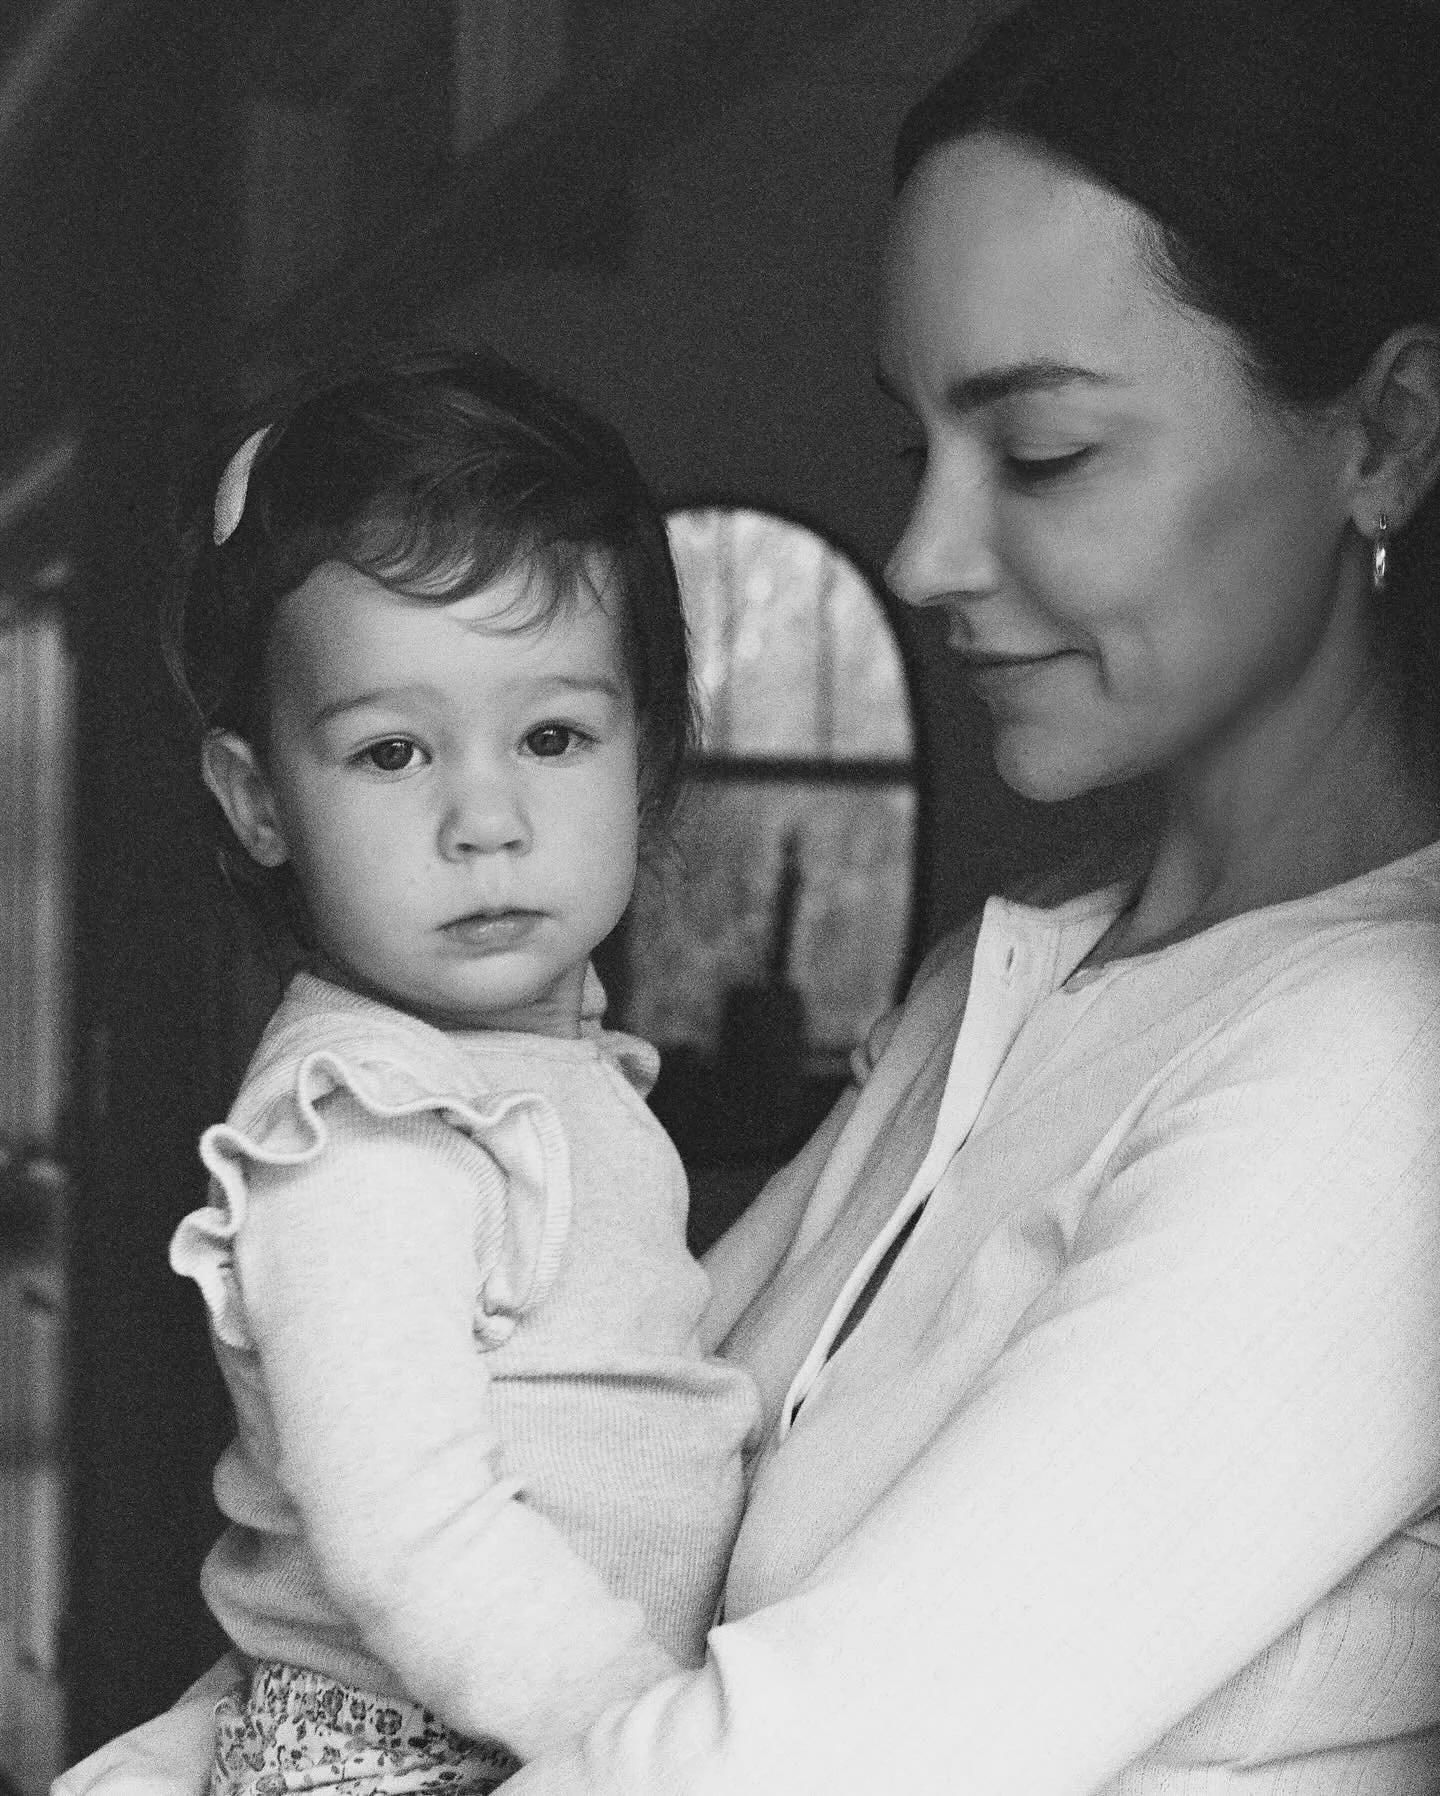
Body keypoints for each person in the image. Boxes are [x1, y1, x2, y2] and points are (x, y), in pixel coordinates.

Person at [54, 0, 1440, 1791]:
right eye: (914, 452)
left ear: (1384, 434)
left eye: (1042, 453)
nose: (923, 556)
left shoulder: (1382, 1072)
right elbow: (525, 1493)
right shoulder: (1009, 974)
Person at [155, 349, 763, 1796]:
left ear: (646, 762)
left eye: (551, 736)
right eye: (391, 754)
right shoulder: (368, 1123)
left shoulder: (543, 1080)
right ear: (260, 802)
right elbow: (405, 1531)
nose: (484, 817)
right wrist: (662, 1741)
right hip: (404, 1759)